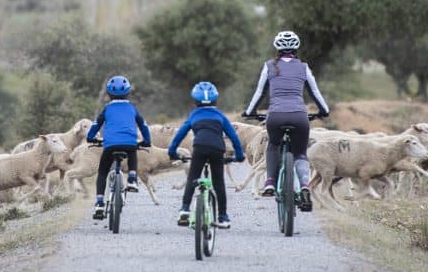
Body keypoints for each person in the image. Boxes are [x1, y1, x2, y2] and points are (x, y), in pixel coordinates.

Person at [242, 30, 329, 211]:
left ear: (277, 48)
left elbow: (260, 92)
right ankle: (304, 185)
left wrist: (250, 111)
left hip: (276, 116)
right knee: (300, 153)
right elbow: (315, 92)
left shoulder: (269, 66)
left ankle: (270, 182)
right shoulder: (304, 67)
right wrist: (324, 111)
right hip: (299, 116)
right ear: (296, 48)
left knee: (273, 145)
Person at [168, 81, 245, 229]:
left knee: (193, 177)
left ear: (195, 101)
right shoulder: (220, 116)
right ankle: (222, 217)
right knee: (218, 183)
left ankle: (184, 209)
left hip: (200, 148)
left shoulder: (194, 115)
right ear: (215, 100)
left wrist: (172, 151)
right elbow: (234, 137)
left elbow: (180, 134)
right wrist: (239, 155)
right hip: (217, 149)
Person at [86, 75, 151, 220]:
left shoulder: (107, 109)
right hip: (129, 143)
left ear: (108, 94)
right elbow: (143, 125)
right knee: (133, 150)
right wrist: (147, 140)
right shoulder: (132, 108)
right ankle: (132, 179)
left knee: (102, 172)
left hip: (110, 145)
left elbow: (96, 125)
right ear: (128, 92)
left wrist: (90, 137)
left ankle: (99, 203)